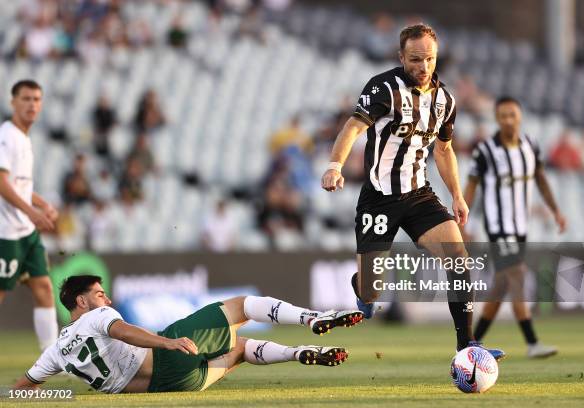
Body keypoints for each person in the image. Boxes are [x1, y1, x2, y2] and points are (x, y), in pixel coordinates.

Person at [320, 24, 504, 359]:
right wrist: (335, 165)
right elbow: (353, 127)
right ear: (401, 57)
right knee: (371, 293)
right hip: (379, 198)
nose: (423, 66)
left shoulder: (445, 101)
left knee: (459, 261)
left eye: (429, 59)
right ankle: (361, 288)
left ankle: (467, 345)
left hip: (419, 195)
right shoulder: (384, 88)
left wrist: (458, 196)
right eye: (415, 59)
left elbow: (444, 151)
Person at [14, 275, 363, 393]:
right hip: (168, 354)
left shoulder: (56, 351)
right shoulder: (97, 315)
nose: (106, 297)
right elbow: (126, 332)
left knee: (240, 349)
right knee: (241, 306)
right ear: (82, 301)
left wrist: (47, 397)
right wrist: (167, 341)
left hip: (169, 387)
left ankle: (296, 352)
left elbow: (23, 388)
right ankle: (312, 318)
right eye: (99, 293)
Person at [463, 96, 566, 358]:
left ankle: (470, 342)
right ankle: (532, 343)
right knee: (517, 275)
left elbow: (541, 178)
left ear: (520, 117)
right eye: (503, 115)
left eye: (513, 114)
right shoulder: (485, 150)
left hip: (521, 227)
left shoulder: (530, 145)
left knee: (501, 286)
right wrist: (462, 218)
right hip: (499, 227)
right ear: (497, 119)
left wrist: (555, 210)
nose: (508, 120)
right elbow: (472, 184)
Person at [0, 80, 59, 350]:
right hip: (7, 233)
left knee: (44, 288)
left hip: (26, 232)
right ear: (13, 103)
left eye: (36, 99)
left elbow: (20, 184)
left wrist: (42, 204)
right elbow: (1, 183)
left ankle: (53, 358)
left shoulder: (24, 137)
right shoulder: (7, 135)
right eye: (26, 99)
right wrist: (33, 213)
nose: (32, 104)